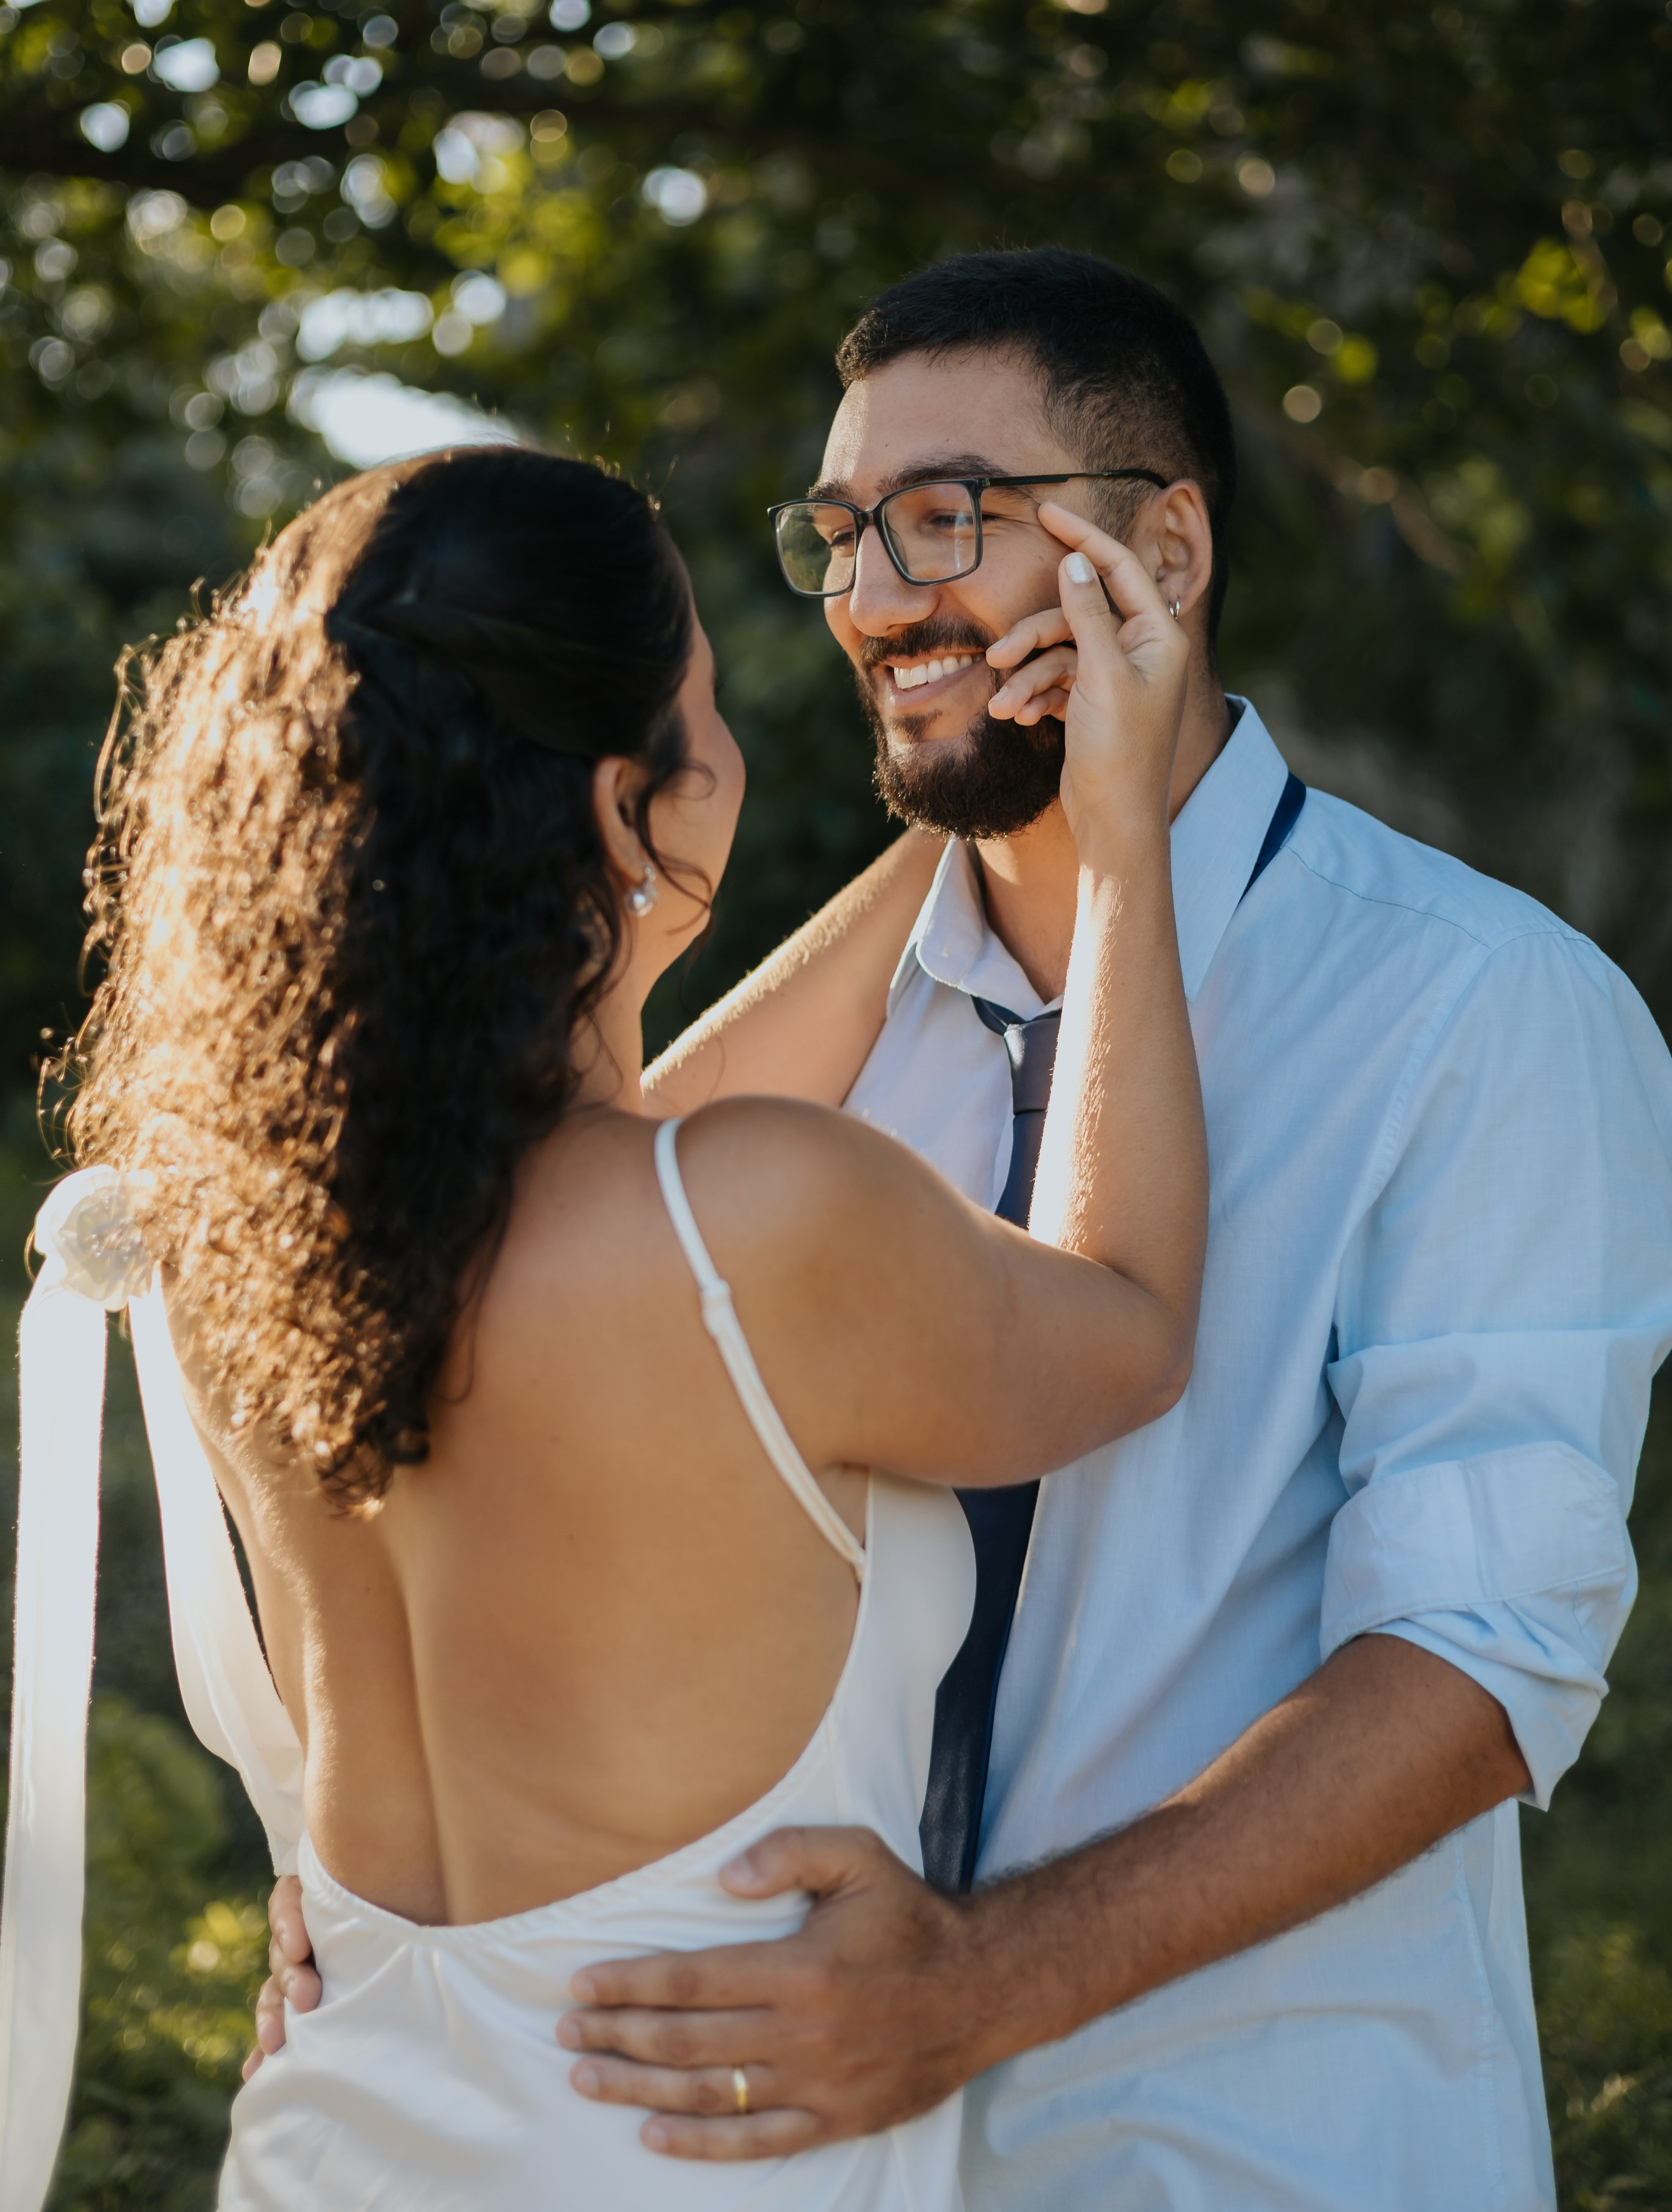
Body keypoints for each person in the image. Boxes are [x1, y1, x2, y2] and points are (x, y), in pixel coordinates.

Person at [266, 250, 1672, 2208]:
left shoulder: (1484, 1009)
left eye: (949, 520)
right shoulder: (777, 1082)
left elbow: (1478, 1651)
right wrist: (399, 1900)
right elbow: (494, 1397)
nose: (877, 598)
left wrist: (983, 1985)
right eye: (843, 535)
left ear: (1162, 552)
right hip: (761, 2150)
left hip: (1252, 2149)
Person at [7, 442, 1207, 2209]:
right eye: (705, 707)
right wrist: (1115, 839)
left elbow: (618, 1143)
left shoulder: (242, 1249)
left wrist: (968, 815)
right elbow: (1126, 1324)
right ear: (624, 800)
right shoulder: (757, 1222)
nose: (734, 746)